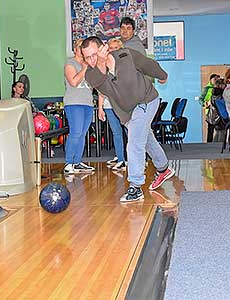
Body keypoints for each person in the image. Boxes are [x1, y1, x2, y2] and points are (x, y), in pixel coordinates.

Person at [81, 36, 174, 203]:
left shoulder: (126, 55)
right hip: (127, 112)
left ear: (104, 48)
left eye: (94, 54)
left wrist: (162, 75)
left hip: (146, 100)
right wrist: (101, 63)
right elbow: (101, 80)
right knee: (146, 140)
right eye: (87, 57)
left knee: (134, 142)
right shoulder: (91, 75)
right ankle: (164, 168)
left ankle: (135, 186)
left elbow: (147, 64)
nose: (92, 60)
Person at [63, 38, 95, 174]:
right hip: (73, 103)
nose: (82, 49)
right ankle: (68, 163)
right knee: (75, 132)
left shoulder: (87, 64)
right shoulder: (70, 64)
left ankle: (77, 162)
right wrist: (84, 69)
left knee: (82, 134)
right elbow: (74, 82)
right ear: (75, 49)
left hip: (87, 103)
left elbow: (92, 85)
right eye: (80, 47)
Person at [98, 38, 127, 171]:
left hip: (124, 105)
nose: (113, 50)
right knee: (116, 133)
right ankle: (121, 159)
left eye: (116, 48)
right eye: (111, 48)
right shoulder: (103, 66)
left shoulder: (126, 66)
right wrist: (100, 108)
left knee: (130, 132)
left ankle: (138, 159)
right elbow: (101, 89)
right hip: (109, 105)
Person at [200, 74, 220, 142]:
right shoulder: (207, 88)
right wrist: (204, 103)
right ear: (210, 80)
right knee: (210, 129)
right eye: (215, 79)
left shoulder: (220, 88)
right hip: (210, 112)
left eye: (217, 80)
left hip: (219, 111)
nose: (216, 81)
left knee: (220, 129)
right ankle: (209, 144)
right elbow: (201, 99)